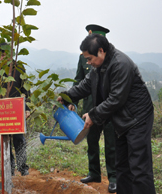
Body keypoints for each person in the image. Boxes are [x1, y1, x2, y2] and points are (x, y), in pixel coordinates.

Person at [58, 33, 156, 194]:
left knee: (139, 167)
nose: (88, 63)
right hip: (121, 120)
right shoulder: (99, 67)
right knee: (122, 166)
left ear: (101, 51)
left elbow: (116, 98)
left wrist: (93, 115)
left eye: (89, 59)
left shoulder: (120, 64)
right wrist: (67, 97)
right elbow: (85, 86)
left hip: (138, 119)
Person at [73, 25, 116, 193]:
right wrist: (72, 100)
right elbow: (79, 81)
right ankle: (94, 173)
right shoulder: (83, 58)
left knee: (111, 143)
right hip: (89, 108)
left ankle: (114, 178)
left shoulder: (112, 61)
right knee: (92, 141)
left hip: (108, 109)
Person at [0, 43, 30, 176]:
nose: (3, 55)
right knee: (3, 142)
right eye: (1, 53)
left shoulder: (19, 68)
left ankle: (22, 167)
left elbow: (26, 89)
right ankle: (9, 168)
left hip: (16, 111)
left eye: (5, 53)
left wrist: (26, 108)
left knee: (19, 139)